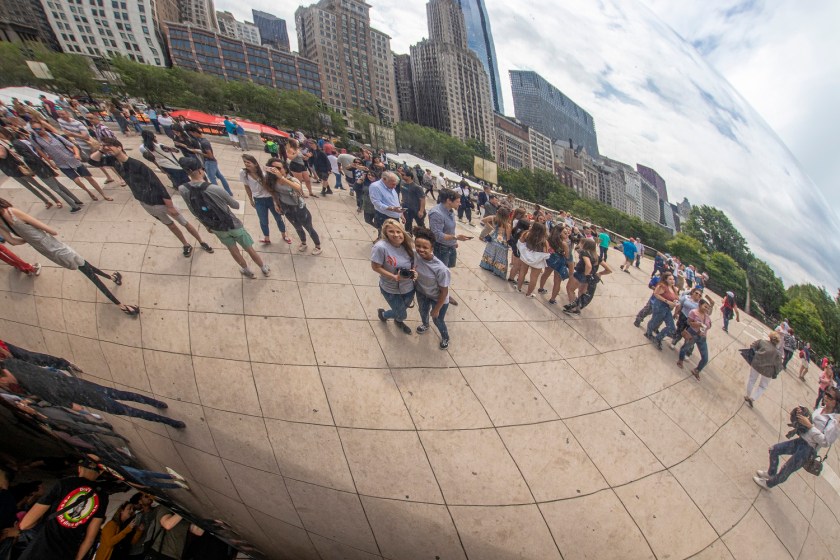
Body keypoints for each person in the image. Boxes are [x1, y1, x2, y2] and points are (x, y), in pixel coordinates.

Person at [0, 198, 139, 315]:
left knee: (85, 265)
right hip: (53, 245)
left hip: (44, 249)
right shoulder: (12, 212)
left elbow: (13, 242)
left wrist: (29, 238)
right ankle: (121, 305)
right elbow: (47, 229)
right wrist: (43, 233)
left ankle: (111, 277)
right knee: (90, 274)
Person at [90, 137, 213, 259]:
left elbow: (157, 184)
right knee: (170, 225)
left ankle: (201, 241)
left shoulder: (137, 165)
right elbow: (92, 162)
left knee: (184, 222)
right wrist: (101, 150)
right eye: (106, 147)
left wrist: (169, 205)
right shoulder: (113, 161)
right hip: (145, 202)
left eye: (110, 146)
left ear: (119, 147)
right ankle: (185, 244)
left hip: (160, 202)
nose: (107, 149)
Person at [0, 358, 185, 427]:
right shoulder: (12, 364)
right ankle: (156, 403)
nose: (5, 386)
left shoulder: (31, 383)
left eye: (3, 383)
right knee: (120, 394)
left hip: (82, 395)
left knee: (125, 410)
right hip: (79, 384)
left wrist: (75, 408)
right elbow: (39, 359)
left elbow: (55, 396)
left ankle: (168, 421)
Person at [178, 157, 270, 277]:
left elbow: (193, 210)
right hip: (232, 224)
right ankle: (263, 268)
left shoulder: (183, 189)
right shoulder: (214, 188)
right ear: (201, 171)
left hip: (216, 227)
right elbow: (235, 205)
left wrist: (207, 225)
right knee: (248, 247)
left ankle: (246, 270)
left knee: (233, 249)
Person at [17, 459, 108, 560]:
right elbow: (90, 539)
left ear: (79, 468)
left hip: (39, 550)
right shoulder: (102, 496)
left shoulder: (64, 484)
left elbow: (25, 524)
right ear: (101, 472)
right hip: (66, 554)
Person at [754, 385, 837, 490]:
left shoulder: (833, 423)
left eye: (830, 396)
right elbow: (809, 421)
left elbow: (826, 442)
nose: (826, 397)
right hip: (801, 440)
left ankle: (768, 484)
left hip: (808, 449)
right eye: (826, 393)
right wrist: (801, 414)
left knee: (786, 470)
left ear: (835, 402)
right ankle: (771, 473)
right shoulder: (820, 409)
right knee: (774, 449)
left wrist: (810, 426)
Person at [0, 127, 83, 212]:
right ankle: (76, 200)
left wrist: (27, 164)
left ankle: (74, 206)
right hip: (41, 166)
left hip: (39, 168)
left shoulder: (15, 144)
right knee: (59, 186)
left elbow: (29, 157)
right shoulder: (17, 142)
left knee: (56, 188)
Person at [27, 121, 112, 201]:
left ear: (43, 127)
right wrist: (50, 162)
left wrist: (77, 154)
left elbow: (72, 146)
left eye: (39, 129)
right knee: (76, 180)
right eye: (34, 130)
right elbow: (40, 151)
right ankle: (88, 192)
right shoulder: (35, 139)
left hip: (72, 159)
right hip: (61, 163)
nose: (37, 131)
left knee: (89, 177)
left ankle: (103, 194)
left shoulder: (55, 136)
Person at [265, 158, 322, 255]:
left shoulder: (291, 179)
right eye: (273, 168)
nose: (276, 170)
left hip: (299, 208)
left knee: (308, 227)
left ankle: (318, 246)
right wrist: (276, 204)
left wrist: (282, 178)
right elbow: (274, 192)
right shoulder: (273, 180)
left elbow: (298, 187)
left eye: (279, 168)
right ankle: (303, 243)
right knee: (297, 227)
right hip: (286, 208)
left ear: (285, 169)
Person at [371, 219, 415, 334]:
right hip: (390, 288)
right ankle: (384, 315)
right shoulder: (380, 247)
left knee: (401, 309)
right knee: (401, 313)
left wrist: (414, 272)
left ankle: (398, 320)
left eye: (398, 231)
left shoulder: (408, 245)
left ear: (403, 232)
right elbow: (375, 267)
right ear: (385, 233)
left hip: (409, 288)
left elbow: (415, 263)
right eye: (391, 231)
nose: (396, 235)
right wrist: (394, 277)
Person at [412, 226, 451, 349]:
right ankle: (425, 324)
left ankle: (445, 337)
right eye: (418, 246)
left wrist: (436, 309)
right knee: (423, 312)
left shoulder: (441, 269)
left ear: (432, 248)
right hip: (422, 293)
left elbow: (444, 291)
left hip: (438, 298)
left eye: (425, 247)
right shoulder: (415, 255)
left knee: (437, 320)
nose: (421, 250)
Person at [240, 154, 291, 245]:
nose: (246, 164)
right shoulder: (243, 173)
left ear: (255, 164)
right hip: (258, 200)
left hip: (270, 199)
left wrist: (276, 202)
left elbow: (272, 189)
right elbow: (246, 187)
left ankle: (284, 235)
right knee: (263, 220)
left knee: (278, 218)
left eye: (249, 162)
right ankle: (266, 237)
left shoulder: (263, 173)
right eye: (245, 162)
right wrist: (251, 199)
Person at [185, 124, 231, 195]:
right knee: (220, 176)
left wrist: (198, 152)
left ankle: (218, 194)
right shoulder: (201, 140)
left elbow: (210, 156)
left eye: (191, 134)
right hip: (212, 162)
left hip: (209, 162)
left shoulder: (204, 142)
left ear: (194, 132)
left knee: (212, 179)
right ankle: (228, 192)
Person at [744, 332, 783, 407]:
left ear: (770, 337)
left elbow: (752, 346)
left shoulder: (761, 342)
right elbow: (778, 366)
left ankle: (748, 395)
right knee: (762, 386)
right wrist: (776, 373)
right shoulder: (778, 353)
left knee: (752, 380)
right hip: (768, 371)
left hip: (756, 364)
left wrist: (755, 354)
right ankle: (753, 398)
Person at [676, 299, 712, 379]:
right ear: (700, 305)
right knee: (685, 348)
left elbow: (709, 325)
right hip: (693, 333)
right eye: (705, 306)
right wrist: (697, 324)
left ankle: (697, 370)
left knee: (705, 358)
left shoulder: (707, 316)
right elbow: (689, 322)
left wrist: (706, 327)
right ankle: (680, 360)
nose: (706, 309)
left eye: (708, 308)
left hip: (702, 337)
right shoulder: (693, 312)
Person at [645, 271, 678, 349]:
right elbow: (656, 294)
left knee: (671, 327)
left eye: (673, 279)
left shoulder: (674, 288)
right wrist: (667, 301)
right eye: (670, 279)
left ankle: (658, 338)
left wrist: (674, 303)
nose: (672, 281)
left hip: (667, 308)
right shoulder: (662, 286)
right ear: (666, 280)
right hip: (660, 306)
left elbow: (676, 298)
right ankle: (648, 333)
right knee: (654, 321)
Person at [517, 222, 550, 297]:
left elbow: (520, 242)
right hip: (537, 262)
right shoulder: (544, 241)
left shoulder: (527, 234)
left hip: (525, 257)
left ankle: (518, 288)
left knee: (522, 272)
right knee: (534, 278)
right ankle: (528, 294)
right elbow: (546, 253)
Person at [478, 206, 511, 279]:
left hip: (492, 240)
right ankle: (497, 271)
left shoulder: (493, 218)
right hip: (502, 243)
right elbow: (508, 238)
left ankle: (487, 266)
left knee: (490, 254)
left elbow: (483, 220)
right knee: (500, 258)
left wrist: (491, 227)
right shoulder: (507, 225)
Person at [542, 224, 571, 305]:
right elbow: (567, 256)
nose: (567, 234)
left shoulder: (549, 239)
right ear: (559, 233)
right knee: (557, 281)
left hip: (550, 260)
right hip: (559, 263)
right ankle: (552, 299)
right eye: (565, 233)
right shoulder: (564, 244)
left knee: (545, 274)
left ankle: (541, 288)